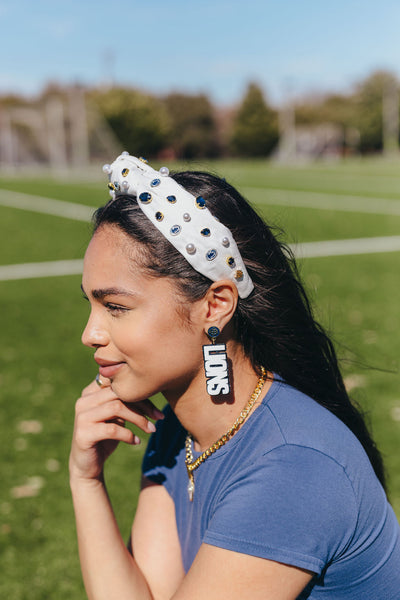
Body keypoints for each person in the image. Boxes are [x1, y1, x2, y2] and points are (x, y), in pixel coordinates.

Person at [69, 153, 400, 600]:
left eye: (116, 307)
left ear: (216, 305)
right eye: (91, 304)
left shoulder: (293, 465)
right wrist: (85, 480)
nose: (90, 334)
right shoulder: (177, 430)